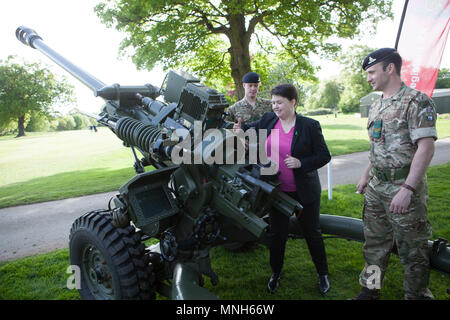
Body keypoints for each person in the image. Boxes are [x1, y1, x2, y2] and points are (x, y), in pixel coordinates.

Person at [352, 48, 437, 300]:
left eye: (371, 72)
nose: (368, 78)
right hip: (377, 188)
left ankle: (416, 295)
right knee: (375, 246)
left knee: (413, 251)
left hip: (403, 188)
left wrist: (408, 189)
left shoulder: (416, 101)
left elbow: (426, 147)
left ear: (390, 68)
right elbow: (376, 146)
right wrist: (366, 174)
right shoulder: (376, 104)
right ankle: (371, 291)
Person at [234, 83, 331, 294]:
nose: (275, 107)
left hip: (304, 191)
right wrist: (240, 129)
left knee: (312, 233)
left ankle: (322, 274)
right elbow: (250, 129)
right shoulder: (269, 120)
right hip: (276, 191)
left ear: (293, 102)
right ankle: (275, 273)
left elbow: (324, 156)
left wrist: (301, 163)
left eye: (279, 102)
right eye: (273, 102)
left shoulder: (309, 126)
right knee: (277, 235)